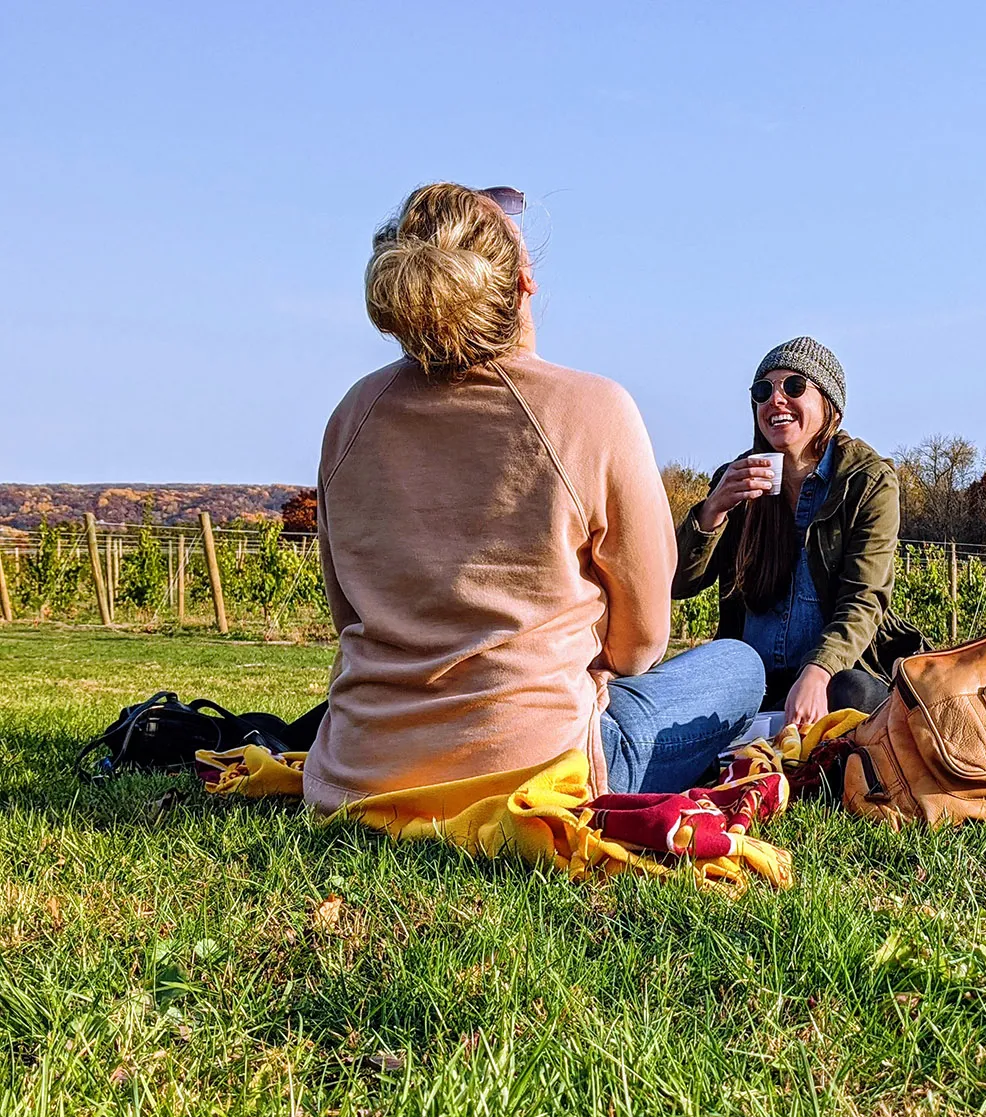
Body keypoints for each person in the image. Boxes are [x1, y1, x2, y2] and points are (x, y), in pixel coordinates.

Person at [304, 182, 764, 814]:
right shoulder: (593, 409)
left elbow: (347, 613)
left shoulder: (350, 415)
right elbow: (639, 647)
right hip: (529, 774)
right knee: (739, 666)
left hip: (357, 773)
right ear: (525, 281)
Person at [673, 337, 925, 728]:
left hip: (836, 672)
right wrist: (712, 511)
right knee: (678, 689)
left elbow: (864, 599)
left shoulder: (866, 482)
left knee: (852, 692)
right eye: (763, 390)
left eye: (793, 386)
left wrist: (819, 669)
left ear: (830, 405)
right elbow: (678, 583)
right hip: (752, 678)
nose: (775, 400)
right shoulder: (737, 481)